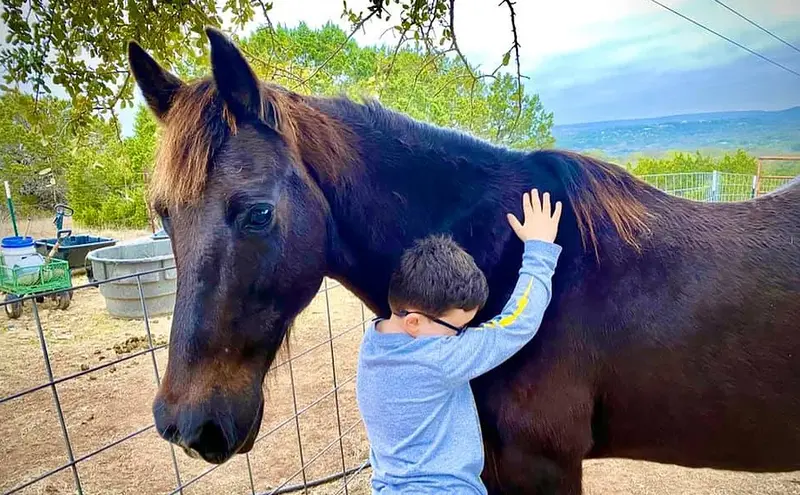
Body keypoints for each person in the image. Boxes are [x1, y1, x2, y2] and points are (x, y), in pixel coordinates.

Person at [356, 188, 563, 494]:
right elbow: (515, 325)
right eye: (457, 328)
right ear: (414, 321)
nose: (461, 335)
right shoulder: (437, 360)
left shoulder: (373, 343)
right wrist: (540, 249)